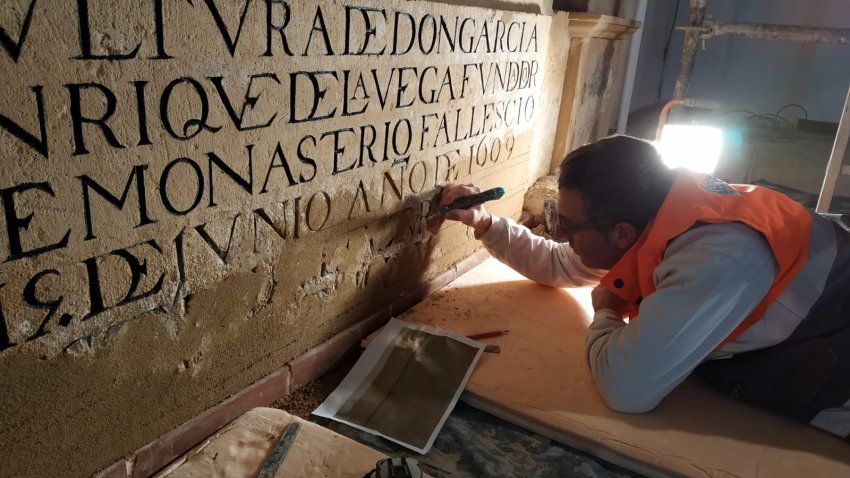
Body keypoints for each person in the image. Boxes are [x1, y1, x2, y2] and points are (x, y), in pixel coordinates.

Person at [438, 134, 850, 439]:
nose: (560, 235)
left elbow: (627, 388)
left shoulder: (715, 257)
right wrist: (484, 222)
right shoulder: (657, 213)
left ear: (620, 233)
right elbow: (559, 264)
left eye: (568, 226)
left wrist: (606, 310)